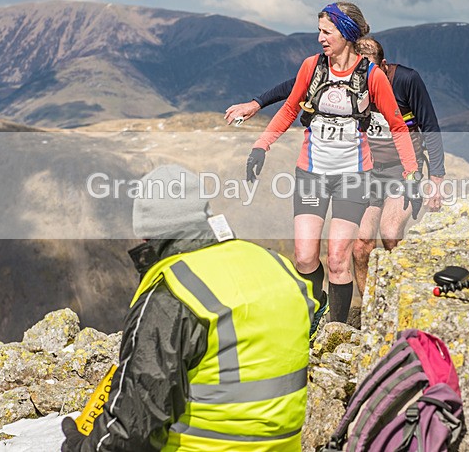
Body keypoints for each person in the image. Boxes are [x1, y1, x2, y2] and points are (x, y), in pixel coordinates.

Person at [61, 164, 317, 452]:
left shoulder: (173, 293)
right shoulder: (277, 266)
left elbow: (132, 429)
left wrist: (78, 447)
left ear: (147, 235)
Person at [244, 2, 419, 334]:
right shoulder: (311, 67)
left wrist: (412, 173)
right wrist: (261, 146)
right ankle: (317, 303)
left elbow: (398, 125)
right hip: (311, 174)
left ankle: (334, 331)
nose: (320, 38)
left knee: (339, 257)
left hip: (353, 177)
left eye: (327, 31)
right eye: (319, 30)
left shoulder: (371, 76)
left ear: (346, 34)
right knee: (305, 257)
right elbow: (289, 109)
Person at [229, 37, 445, 295]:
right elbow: (293, 88)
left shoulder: (407, 81)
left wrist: (436, 179)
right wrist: (256, 104)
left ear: (384, 67)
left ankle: (402, 299)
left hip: (401, 168)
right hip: (368, 169)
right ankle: (369, 311)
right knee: (361, 243)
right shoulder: (346, 76)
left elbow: (430, 126)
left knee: (390, 233)